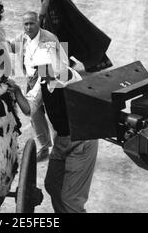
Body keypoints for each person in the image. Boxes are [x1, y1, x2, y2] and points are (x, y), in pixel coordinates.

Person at [8, 42, 99, 213]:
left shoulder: (68, 75)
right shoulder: (43, 80)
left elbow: (60, 79)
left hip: (82, 142)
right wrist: (17, 91)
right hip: (62, 141)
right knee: (52, 185)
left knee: (71, 199)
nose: (38, 69)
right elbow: (29, 109)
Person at [33, 0, 113, 73]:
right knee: (69, 38)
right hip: (63, 15)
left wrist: (39, 20)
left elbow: (45, 4)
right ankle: (75, 62)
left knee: (52, 41)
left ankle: (64, 64)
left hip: (53, 19)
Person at [11, 11, 59, 162]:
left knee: (55, 117)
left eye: (32, 23)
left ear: (39, 23)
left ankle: (60, 149)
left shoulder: (49, 38)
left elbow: (59, 64)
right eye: (26, 24)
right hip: (31, 80)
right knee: (35, 116)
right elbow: (11, 47)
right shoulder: (21, 38)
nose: (29, 27)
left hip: (49, 79)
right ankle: (44, 148)